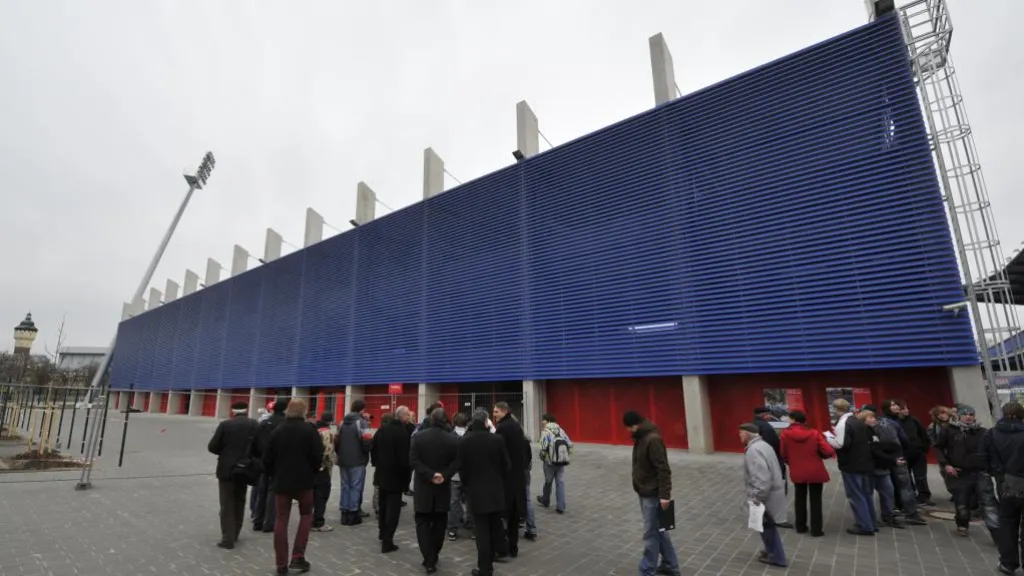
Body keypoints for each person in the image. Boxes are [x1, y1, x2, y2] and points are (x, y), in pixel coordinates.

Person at [262, 398, 323, 575]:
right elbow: (317, 456)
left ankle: (281, 564)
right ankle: (298, 556)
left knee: (281, 519)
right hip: (304, 482)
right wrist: (312, 472)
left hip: (282, 482)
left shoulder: (277, 430)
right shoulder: (309, 431)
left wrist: (274, 474)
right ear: (303, 412)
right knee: (306, 515)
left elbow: (267, 459)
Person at [623, 410, 680, 576]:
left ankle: (647, 569)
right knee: (660, 530)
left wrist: (664, 496)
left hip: (653, 494)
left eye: (628, 427)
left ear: (636, 425)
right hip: (645, 490)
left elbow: (663, 469)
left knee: (651, 533)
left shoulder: (652, 439)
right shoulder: (641, 437)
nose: (628, 431)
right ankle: (670, 565)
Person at [458, 409, 511, 576]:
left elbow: (462, 469)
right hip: (495, 491)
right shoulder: (497, 439)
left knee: (482, 533)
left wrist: (467, 485)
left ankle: (485, 568)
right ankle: (501, 550)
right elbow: (507, 465)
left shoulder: (465, 441)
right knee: (495, 525)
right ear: (487, 423)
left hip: (476, 492)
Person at [935, 404, 997, 538]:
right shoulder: (949, 430)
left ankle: (997, 531)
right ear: (959, 416)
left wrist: (990, 468)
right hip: (959, 472)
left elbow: (991, 451)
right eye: (965, 414)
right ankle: (962, 524)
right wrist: (946, 465)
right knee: (962, 502)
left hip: (981, 472)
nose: (968, 417)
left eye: (971, 414)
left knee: (988, 502)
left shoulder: (982, 432)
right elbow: (938, 448)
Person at [410, 408, 460, 573]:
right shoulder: (453, 440)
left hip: (424, 486)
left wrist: (429, 475)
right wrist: (443, 475)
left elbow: (413, 461)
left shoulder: (418, 438)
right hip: (442, 486)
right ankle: (434, 554)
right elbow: (457, 462)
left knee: (422, 521)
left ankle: (428, 558)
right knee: (440, 521)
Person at [207, 401, 257, 550]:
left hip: (226, 469)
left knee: (227, 503)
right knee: (240, 500)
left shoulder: (225, 425)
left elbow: (213, 446)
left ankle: (227, 538)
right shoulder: (254, 424)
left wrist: (226, 453)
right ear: (247, 410)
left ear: (232, 411)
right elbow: (260, 446)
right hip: (245, 468)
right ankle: (236, 532)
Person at [867, 402, 927, 527]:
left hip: (880, 461)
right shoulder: (892, 423)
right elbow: (905, 440)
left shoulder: (868, 425)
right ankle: (911, 514)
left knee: (885, 489)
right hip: (898, 458)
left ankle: (890, 513)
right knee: (905, 487)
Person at [982, 401, 1024, 574]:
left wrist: (997, 473)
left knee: (1008, 523)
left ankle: (1008, 563)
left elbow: (983, 458)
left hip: (1004, 484)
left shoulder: (991, 433)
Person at [739, 422, 787, 568]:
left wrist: (757, 497)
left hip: (765, 494)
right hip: (773, 490)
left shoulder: (754, 450)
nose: (739, 436)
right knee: (764, 525)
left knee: (767, 525)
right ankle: (770, 550)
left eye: (740, 433)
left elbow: (762, 477)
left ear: (747, 434)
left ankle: (777, 557)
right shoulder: (764, 445)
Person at [779, 410, 833, 537]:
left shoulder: (785, 434)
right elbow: (829, 451)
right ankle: (816, 529)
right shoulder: (814, 433)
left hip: (797, 470)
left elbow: (783, 453)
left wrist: (791, 461)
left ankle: (800, 526)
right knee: (816, 500)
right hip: (815, 470)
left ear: (793, 420)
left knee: (799, 498)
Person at [371, 406, 412, 553]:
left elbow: (373, 449)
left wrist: (376, 464)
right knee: (393, 510)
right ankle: (388, 541)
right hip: (396, 477)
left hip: (382, 474)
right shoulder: (403, 433)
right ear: (403, 417)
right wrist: (406, 481)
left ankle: (382, 533)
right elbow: (405, 460)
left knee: (383, 506)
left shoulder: (382, 429)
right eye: (408, 416)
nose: (409, 419)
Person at [493, 402, 527, 558]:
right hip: (517, 477)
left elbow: (497, 452)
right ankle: (513, 547)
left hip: (505, 478)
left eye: (496, 411)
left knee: (501, 514)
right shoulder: (516, 426)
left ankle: (502, 548)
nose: (494, 414)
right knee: (513, 515)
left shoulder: (503, 428)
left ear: (504, 411)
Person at [835, 406, 876, 535]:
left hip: (851, 465)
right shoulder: (859, 423)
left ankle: (864, 525)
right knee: (866, 495)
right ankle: (872, 523)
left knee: (856, 495)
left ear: (837, 410)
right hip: (865, 463)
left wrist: (829, 439)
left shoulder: (844, 424)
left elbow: (843, 444)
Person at [253, 396, 289, 532]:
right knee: (273, 492)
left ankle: (257, 520)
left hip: (264, 461)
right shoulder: (285, 424)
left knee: (261, 490)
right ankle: (269, 523)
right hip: (279, 463)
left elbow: (256, 443)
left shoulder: (264, 423)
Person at [335, 399, 372, 525]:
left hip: (343, 459)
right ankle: (353, 513)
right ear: (362, 409)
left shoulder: (342, 422)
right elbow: (367, 441)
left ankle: (344, 513)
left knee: (345, 486)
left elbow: (336, 440)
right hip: (357, 459)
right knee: (356, 486)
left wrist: (340, 453)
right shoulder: (362, 423)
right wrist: (367, 451)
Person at [752, 407, 789, 527]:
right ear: (764, 415)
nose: (769, 416)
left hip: (757, 460)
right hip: (771, 461)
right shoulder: (766, 427)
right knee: (777, 488)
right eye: (768, 414)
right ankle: (774, 516)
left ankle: (760, 514)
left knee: (760, 485)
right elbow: (773, 445)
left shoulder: (752, 425)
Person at [894, 401, 933, 506]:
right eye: (903, 409)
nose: (906, 410)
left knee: (921, 476)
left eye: (907, 408)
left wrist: (924, 448)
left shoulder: (914, 420)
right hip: (903, 454)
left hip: (918, 453)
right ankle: (910, 496)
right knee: (907, 477)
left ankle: (924, 496)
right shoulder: (895, 422)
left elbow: (923, 434)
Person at [537, 413, 572, 514]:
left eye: (543, 420)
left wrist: (543, 456)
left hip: (549, 461)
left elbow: (543, 446)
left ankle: (545, 500)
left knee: (548, 481)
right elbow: (569, 443)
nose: (542, 422)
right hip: (561, 461)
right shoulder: (561, 430)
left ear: (547, 421)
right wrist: (564, 455)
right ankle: (561, 506)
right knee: (560, 482)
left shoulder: (545, 431)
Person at [448, 412, 474, 541]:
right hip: (469, 474)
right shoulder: (471, 437)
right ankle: (472, 525)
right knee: (470, 501)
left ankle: (453, 528)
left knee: (454, 501)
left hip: (454, 475)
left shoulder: (449, 437)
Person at [311, 411, 335, 532]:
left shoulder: (314, 430)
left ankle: (309, 519)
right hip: (322, 469)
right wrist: (326, 466)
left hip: (311, 469)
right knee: (321, 496)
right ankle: (318, 521)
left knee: (312, 495)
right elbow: (327, 452)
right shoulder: (326, 433)